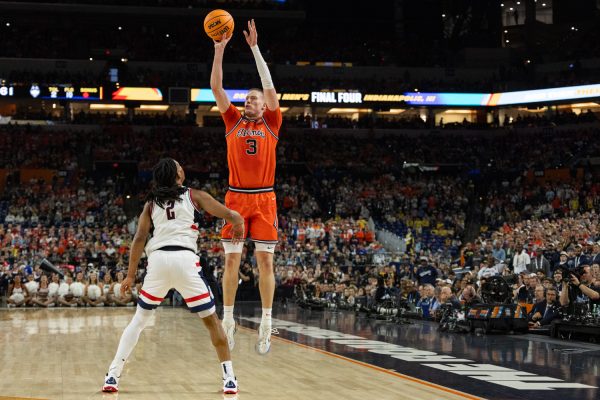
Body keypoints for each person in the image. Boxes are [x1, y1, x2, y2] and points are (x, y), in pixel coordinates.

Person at [102, 158, 244, 395]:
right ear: (177, 174)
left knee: (139, 321)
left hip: (158, 261)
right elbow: (229, 215)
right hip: (185, 260)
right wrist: (238, 222)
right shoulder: (195, 195)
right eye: (180, 166)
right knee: (211, 321)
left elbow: (139, 238)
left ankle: (112, 375)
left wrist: (130, 276)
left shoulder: (150, 204)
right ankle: (229, 378)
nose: (182, 168)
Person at [210, 19, 282, 354]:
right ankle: (228, 320)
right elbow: (217, 88)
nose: (249, 101)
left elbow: (269, 86)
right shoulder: (232, 121)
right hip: (236, 199)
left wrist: (254, 49)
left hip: (264, 199)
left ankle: (266, 323)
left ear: (264, 105)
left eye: (254, 99)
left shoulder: (272, 122)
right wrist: (219, 51)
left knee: (265, 263)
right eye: (248, 98)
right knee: (231, 262)